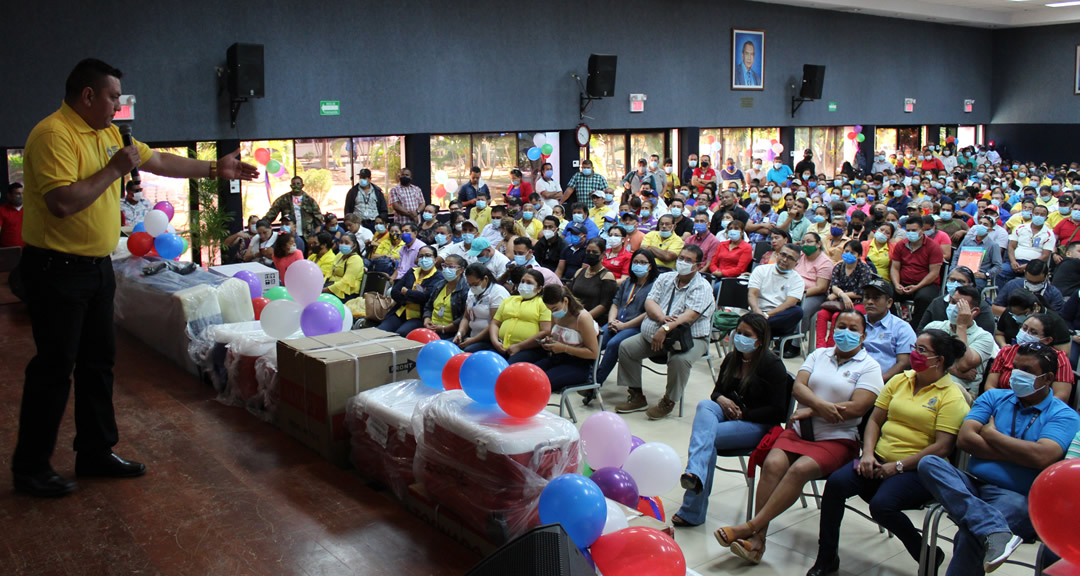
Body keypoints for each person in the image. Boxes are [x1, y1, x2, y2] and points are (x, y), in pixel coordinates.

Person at [13, 58, 258, 496]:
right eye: (112, 96)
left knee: (98, 364)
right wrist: (113, 169)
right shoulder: (53, 134)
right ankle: (31, 467)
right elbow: (63, 203)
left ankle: (95, 451)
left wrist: (213, 170)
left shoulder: (108, 133)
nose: (118, 105)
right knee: (53, 369)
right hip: (57, 272)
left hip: (95, 269)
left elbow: (158, 159)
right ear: (87, 96)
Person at [715, 310, 883, 565]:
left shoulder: (869, 367)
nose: (845, 332)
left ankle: (750, 529)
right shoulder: (819, 355)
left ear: (863, 335)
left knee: (798, 470)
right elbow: (797, 387)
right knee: (772, 464)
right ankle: (758, 541)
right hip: (800, 432)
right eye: (840, 326)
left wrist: (812, 408)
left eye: (852, 328)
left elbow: (858, 408)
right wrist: (820, 407)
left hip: (837, 439)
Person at [809, 329, 970, 576]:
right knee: (836, 484)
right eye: (914, 347)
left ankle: (924, 552)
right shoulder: (900, 380)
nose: (913, 354)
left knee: (882, 505)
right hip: (878, 460)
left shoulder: (951, 396)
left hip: (920, 469)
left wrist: (898, 466)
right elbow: (874, 420)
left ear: (938, 361)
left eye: (921, 350)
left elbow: (942, 447)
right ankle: (826, 557)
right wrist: (868, 454)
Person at [917, 344, 1079, 575]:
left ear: (1048, 378)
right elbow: (965, 439)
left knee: (971, 534)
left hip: (1018, 497)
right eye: (1015, 368)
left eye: (1027, 370)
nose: (1016, 375)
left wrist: (992, 435)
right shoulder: (994, 397)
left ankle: (986, 528)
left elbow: (1042, 457)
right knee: (929, 463)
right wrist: (1022, 454)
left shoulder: (1063, 414)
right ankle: (993, 529)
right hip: (972, 484)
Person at [673, 313, 789, 527]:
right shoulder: (731, 359)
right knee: (704, 406)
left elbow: (778, 411)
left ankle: (692, 510)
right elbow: (716, 393)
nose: (740, 337)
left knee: (708, 438)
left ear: (760, 340)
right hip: (729, 416)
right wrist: (723, 400)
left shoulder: (772, 365)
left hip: (758, 425)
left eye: (747, 335)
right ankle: (695, 473)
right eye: (739, 332)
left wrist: (745, 414)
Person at [614, 245, 714, 419]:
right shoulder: (665, 278)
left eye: (688, 260)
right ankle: (637, 395)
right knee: (626, 347)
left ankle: (669, 401)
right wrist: (661, 319)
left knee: (680, 360)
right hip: (654, 335)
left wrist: (665, 328)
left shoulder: (702, 287)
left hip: (690, 338)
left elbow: (690, 316)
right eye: (681, 258)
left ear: (698, 265)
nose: (683, 262)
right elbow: (650, 302)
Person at [593, 250, 660, 388]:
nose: (638, 265)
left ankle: (595, 382)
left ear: (650, 266)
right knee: (596, 338)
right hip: (616, 322)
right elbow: (616, 303)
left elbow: (648, 313)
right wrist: (611, 320)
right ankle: (586, 374)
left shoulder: (655, 285)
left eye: (642, 262)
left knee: (614, 344)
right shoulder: (628, 282)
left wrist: (624, 326)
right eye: (635, 262)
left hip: (635, 326)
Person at [924, 286, 999, 398]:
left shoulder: (984, 337)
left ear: (974, 312)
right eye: (952, 302)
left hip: (960, 394)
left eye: (960, 305)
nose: (953, 307)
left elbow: (964, 364)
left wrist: (961, 326)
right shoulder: (934, 326)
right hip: (926, 385)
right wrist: (953, 370)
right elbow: (920, 360)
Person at [986, 314, 1074, 402]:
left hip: (1041, 411)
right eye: (1024, 328)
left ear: (1047, 340)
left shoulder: (1059, 359)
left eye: (1033, 332)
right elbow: (989, 386)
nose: (1025, 334)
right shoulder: (1007, 352)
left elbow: (1061, 397)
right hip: (1001, 404)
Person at [536, 285, 600, 391]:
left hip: (578, 365)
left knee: (541, 384)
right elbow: (552, 336)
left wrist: (564, 348)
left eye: (555, 308)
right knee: (528, 374)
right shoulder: (556, 314)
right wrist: (549, 342)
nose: (553, 312)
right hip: (557, 358)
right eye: (549, 309)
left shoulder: (583, 318)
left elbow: (593, 353)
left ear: (566, 301)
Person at [855, 278, 916, 384]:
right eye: (867, 297)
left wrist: (878, 381)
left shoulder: (902, 328)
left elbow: (904, 363)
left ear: (889, 302)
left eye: (876, 298)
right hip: (852, 377)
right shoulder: (856, 323)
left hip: (885, 383)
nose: (870, 302)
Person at [815, 241, 873, 348]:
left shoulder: (864, 269)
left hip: (857, 302)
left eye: (853, 253)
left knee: (837, 317)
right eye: (847, 251)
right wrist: (843, 295)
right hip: (839, 301)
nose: (849, 254)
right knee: (821, 314)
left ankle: (831, 347)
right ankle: (820, 347)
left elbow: (860, 292)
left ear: (859, 255)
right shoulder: (839, 267)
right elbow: (834, 286)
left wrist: (840, 295)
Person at [379, 245, 444, 336]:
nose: (424, 258)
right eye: (421, 256)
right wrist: (409, 299)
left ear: (435, 259)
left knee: (400, 335)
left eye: (428, 255)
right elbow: (395, 291)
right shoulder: (412, 271)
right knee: (380, 331)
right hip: (400, 311)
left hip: (418, 317)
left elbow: (425, 297)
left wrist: (407, 292)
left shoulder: (438, 277)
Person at [891, 219, 944, 329]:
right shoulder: (901, 245)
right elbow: (895, 267)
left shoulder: (933, 246)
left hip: (926, 284)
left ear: (922, 230)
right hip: (904, 282)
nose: (911, 233)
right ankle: (895, 324)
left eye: (914, 230)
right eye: (908, 230)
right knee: (885, 294)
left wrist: (917, 287)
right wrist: (896, 284)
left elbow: (934, 273)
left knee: (923, 298)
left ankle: (916, 328)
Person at [490, 268, 552, 363]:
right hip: (501, 345)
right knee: (489, 362)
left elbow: (545, 331)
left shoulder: (543, 303)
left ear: (539, 288)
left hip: (528, 349)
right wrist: (495, 342)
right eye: (522, 281)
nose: (524, 285)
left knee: (509, 366)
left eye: (529, 283)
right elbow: (495, 323)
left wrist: (519, 346)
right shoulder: (509, 300)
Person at [748, 243, 805, 340]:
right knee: (753, 319)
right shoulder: (761, 270)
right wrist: (757, 311)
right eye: (783, 255)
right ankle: (760, 329)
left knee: (797, 311)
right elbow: (752, 293)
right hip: (758, 313)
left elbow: (789, 303)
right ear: (777, 254)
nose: (785, 260)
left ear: (796, 264)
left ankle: (757, 328)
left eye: (790, 258)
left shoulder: (798, 280)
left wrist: (768, 315)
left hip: (779, 317)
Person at [918, 266, 997, 335]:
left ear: (971, 285)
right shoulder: (937, 303)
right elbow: (921, 330)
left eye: (961, 281)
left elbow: (987, 333)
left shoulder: (981, 307)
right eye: (952, 280)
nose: (955, 284)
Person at [454, 263, 511, 353]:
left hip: (489, 339)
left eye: (475, 284)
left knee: (468, 351)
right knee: (451, 345)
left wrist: (473, 340)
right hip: (471, 336)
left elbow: (495, 323)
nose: (472, 287)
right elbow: (466, 317)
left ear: (485, 279)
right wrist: (460, 333)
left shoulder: (498, 292)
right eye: (469, 284)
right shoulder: (472, 291)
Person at [999, 205, 1054, 286]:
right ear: (1032, 215)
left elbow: (1045, 255)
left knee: (1024, 282)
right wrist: (1013, 261)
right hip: (1015, 262)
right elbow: (1011, 247)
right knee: (1000, 271)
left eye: (1042, 215)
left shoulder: (1049, 234)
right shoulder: (1020, 228)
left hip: (1034, 265)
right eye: (1036, 213)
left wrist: (1028, 266)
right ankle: (1003, 296)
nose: (1039, 216)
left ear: (1046, 217)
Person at [567, 237, 618, 323]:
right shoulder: (579, 272)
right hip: (573, 315)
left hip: (593, 320)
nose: (590, 254)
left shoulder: (607, 276)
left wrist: (582, 319)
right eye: (588, 252)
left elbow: (604, 306)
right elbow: (569, 294)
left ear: (602, 254)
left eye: (594, 252)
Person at [992, 259, 1064, 316]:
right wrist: (1017, 313)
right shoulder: (1012, 285)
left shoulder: (1054, 294)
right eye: (1029, 281)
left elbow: (1056, 318)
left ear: (1046, 277)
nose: (1033, 284)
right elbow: (995, 308)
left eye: (1037, 283)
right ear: (1025, 274)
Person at [795, 232, 835, 333]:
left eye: (809, 242)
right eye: (803, 242)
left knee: (803, 310)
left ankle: (795, 344)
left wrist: (799, 294)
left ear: (818, 244)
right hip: (794, 290)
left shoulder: (825, 262)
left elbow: (821, 288)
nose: (805, 245)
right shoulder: (799, 257)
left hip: (814, 295)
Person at [422, 254, 468, 340]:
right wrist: (427, 320)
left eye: (451, 267)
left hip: (450, 332)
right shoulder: (439, 285)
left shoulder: (466, 290)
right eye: (444, 266)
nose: (446, 269)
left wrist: (444, 328)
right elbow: (428, 306)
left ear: (461, 270)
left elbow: (464, 317)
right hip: (431, 327)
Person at [952, 216, 1003, 292]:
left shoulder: (993, 245)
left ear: (990, 229)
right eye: (980, 223)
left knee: (970, 289)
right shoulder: (967, 240)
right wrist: (953, 270)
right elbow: (956, 256)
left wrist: (985, 275)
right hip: (960, 272)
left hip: (977, 277)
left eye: (985, 224)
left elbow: (998, 266)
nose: (981, 225)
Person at [0, 182, 24, 248]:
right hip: (8, 252)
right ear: (9, 195)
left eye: (22, 193)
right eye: (17, 194)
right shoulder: (1, 210)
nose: (21, 196)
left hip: (28, 251)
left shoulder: (29, 210)